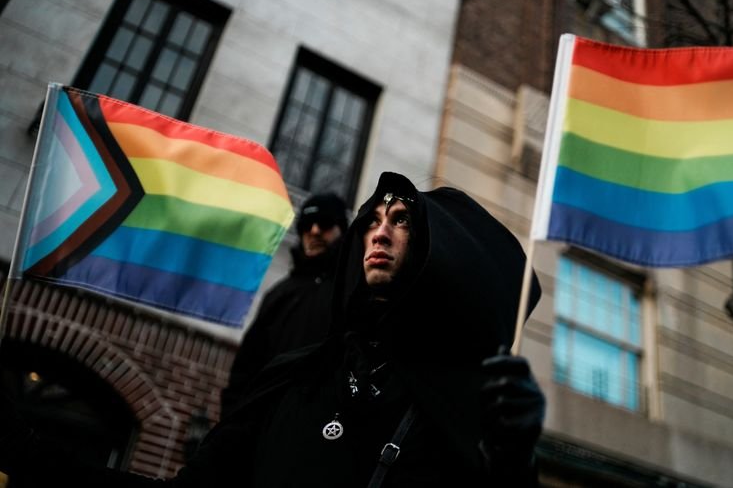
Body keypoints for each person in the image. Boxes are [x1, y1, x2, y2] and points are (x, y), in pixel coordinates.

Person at [0, 172, 545, 487]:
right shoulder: (294, 379)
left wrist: (514, 459)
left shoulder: (459, 406)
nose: (380, 234)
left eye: (401, 220)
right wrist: (23, 450)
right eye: (372, 222)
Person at [221, 193, 348, 416]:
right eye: (307, 224)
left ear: (342, 230)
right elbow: (246, 367)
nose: (314, 231)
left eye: (325, 223)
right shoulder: (279, 294)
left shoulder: (350, 291)